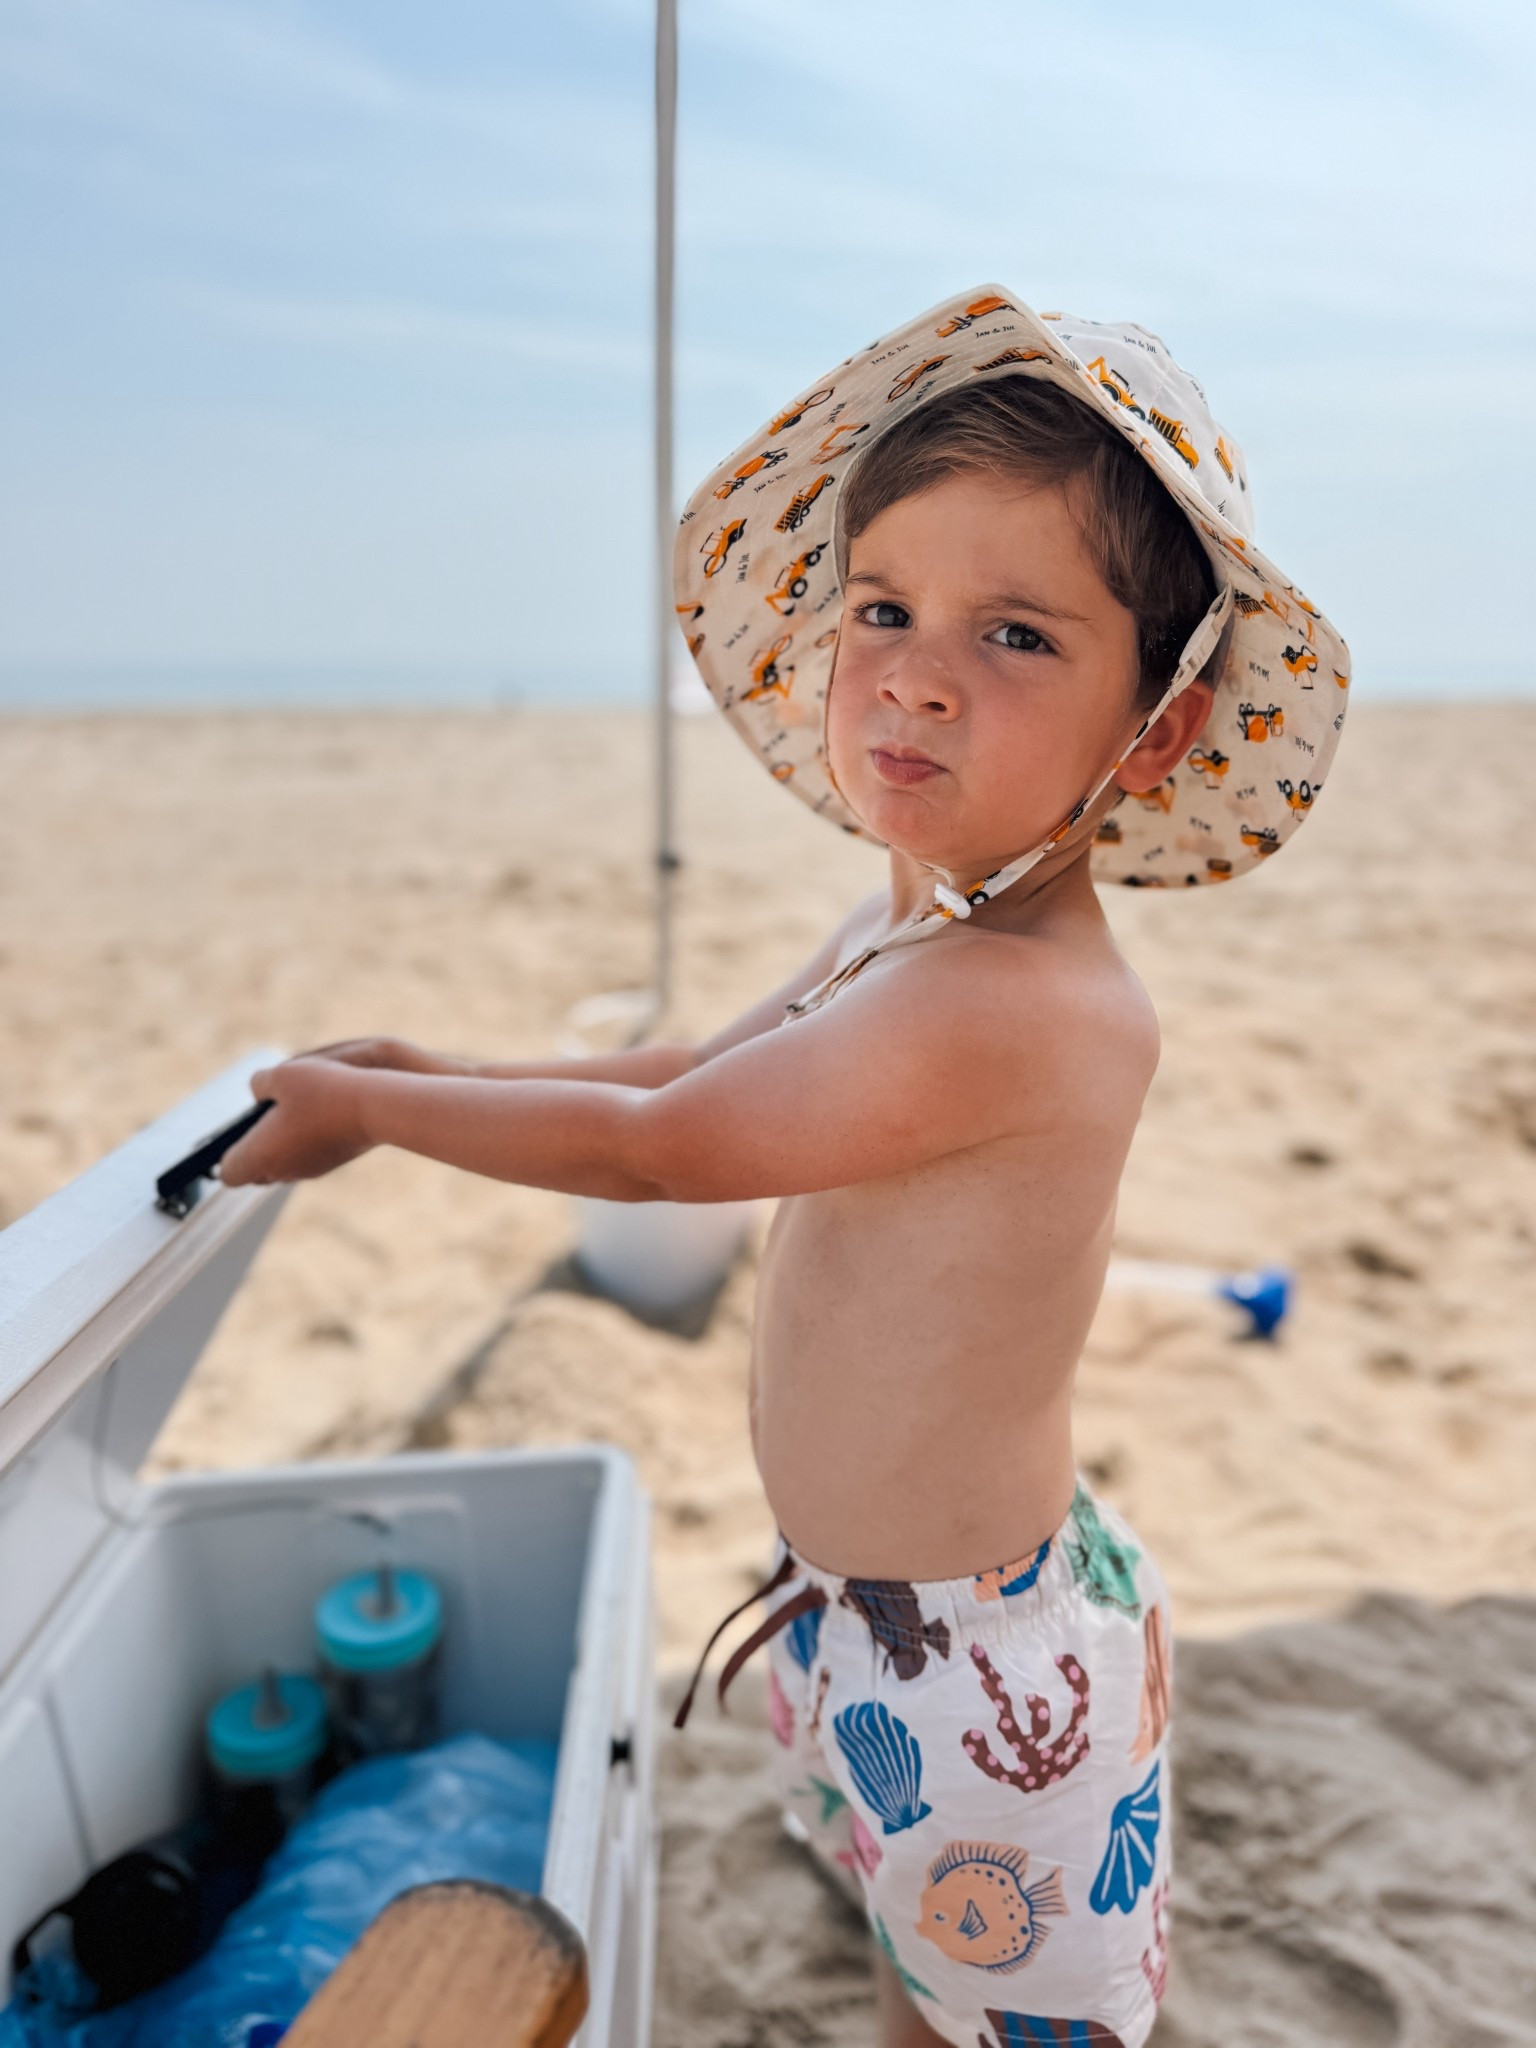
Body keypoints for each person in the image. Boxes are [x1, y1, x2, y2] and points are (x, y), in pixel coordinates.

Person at [222, 286, 1348, 2047]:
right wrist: (440, 1066)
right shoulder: (908, 919)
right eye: (885, 606)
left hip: (985, 1676)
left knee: (1008, 1995)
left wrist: (378, 1121)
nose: (913, 669)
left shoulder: (1022, 1004)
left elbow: (670, 1151)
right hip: (859, 1619)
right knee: (924, 1954)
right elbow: (695, 1068)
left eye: (1019, 637)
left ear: (1160, 733)